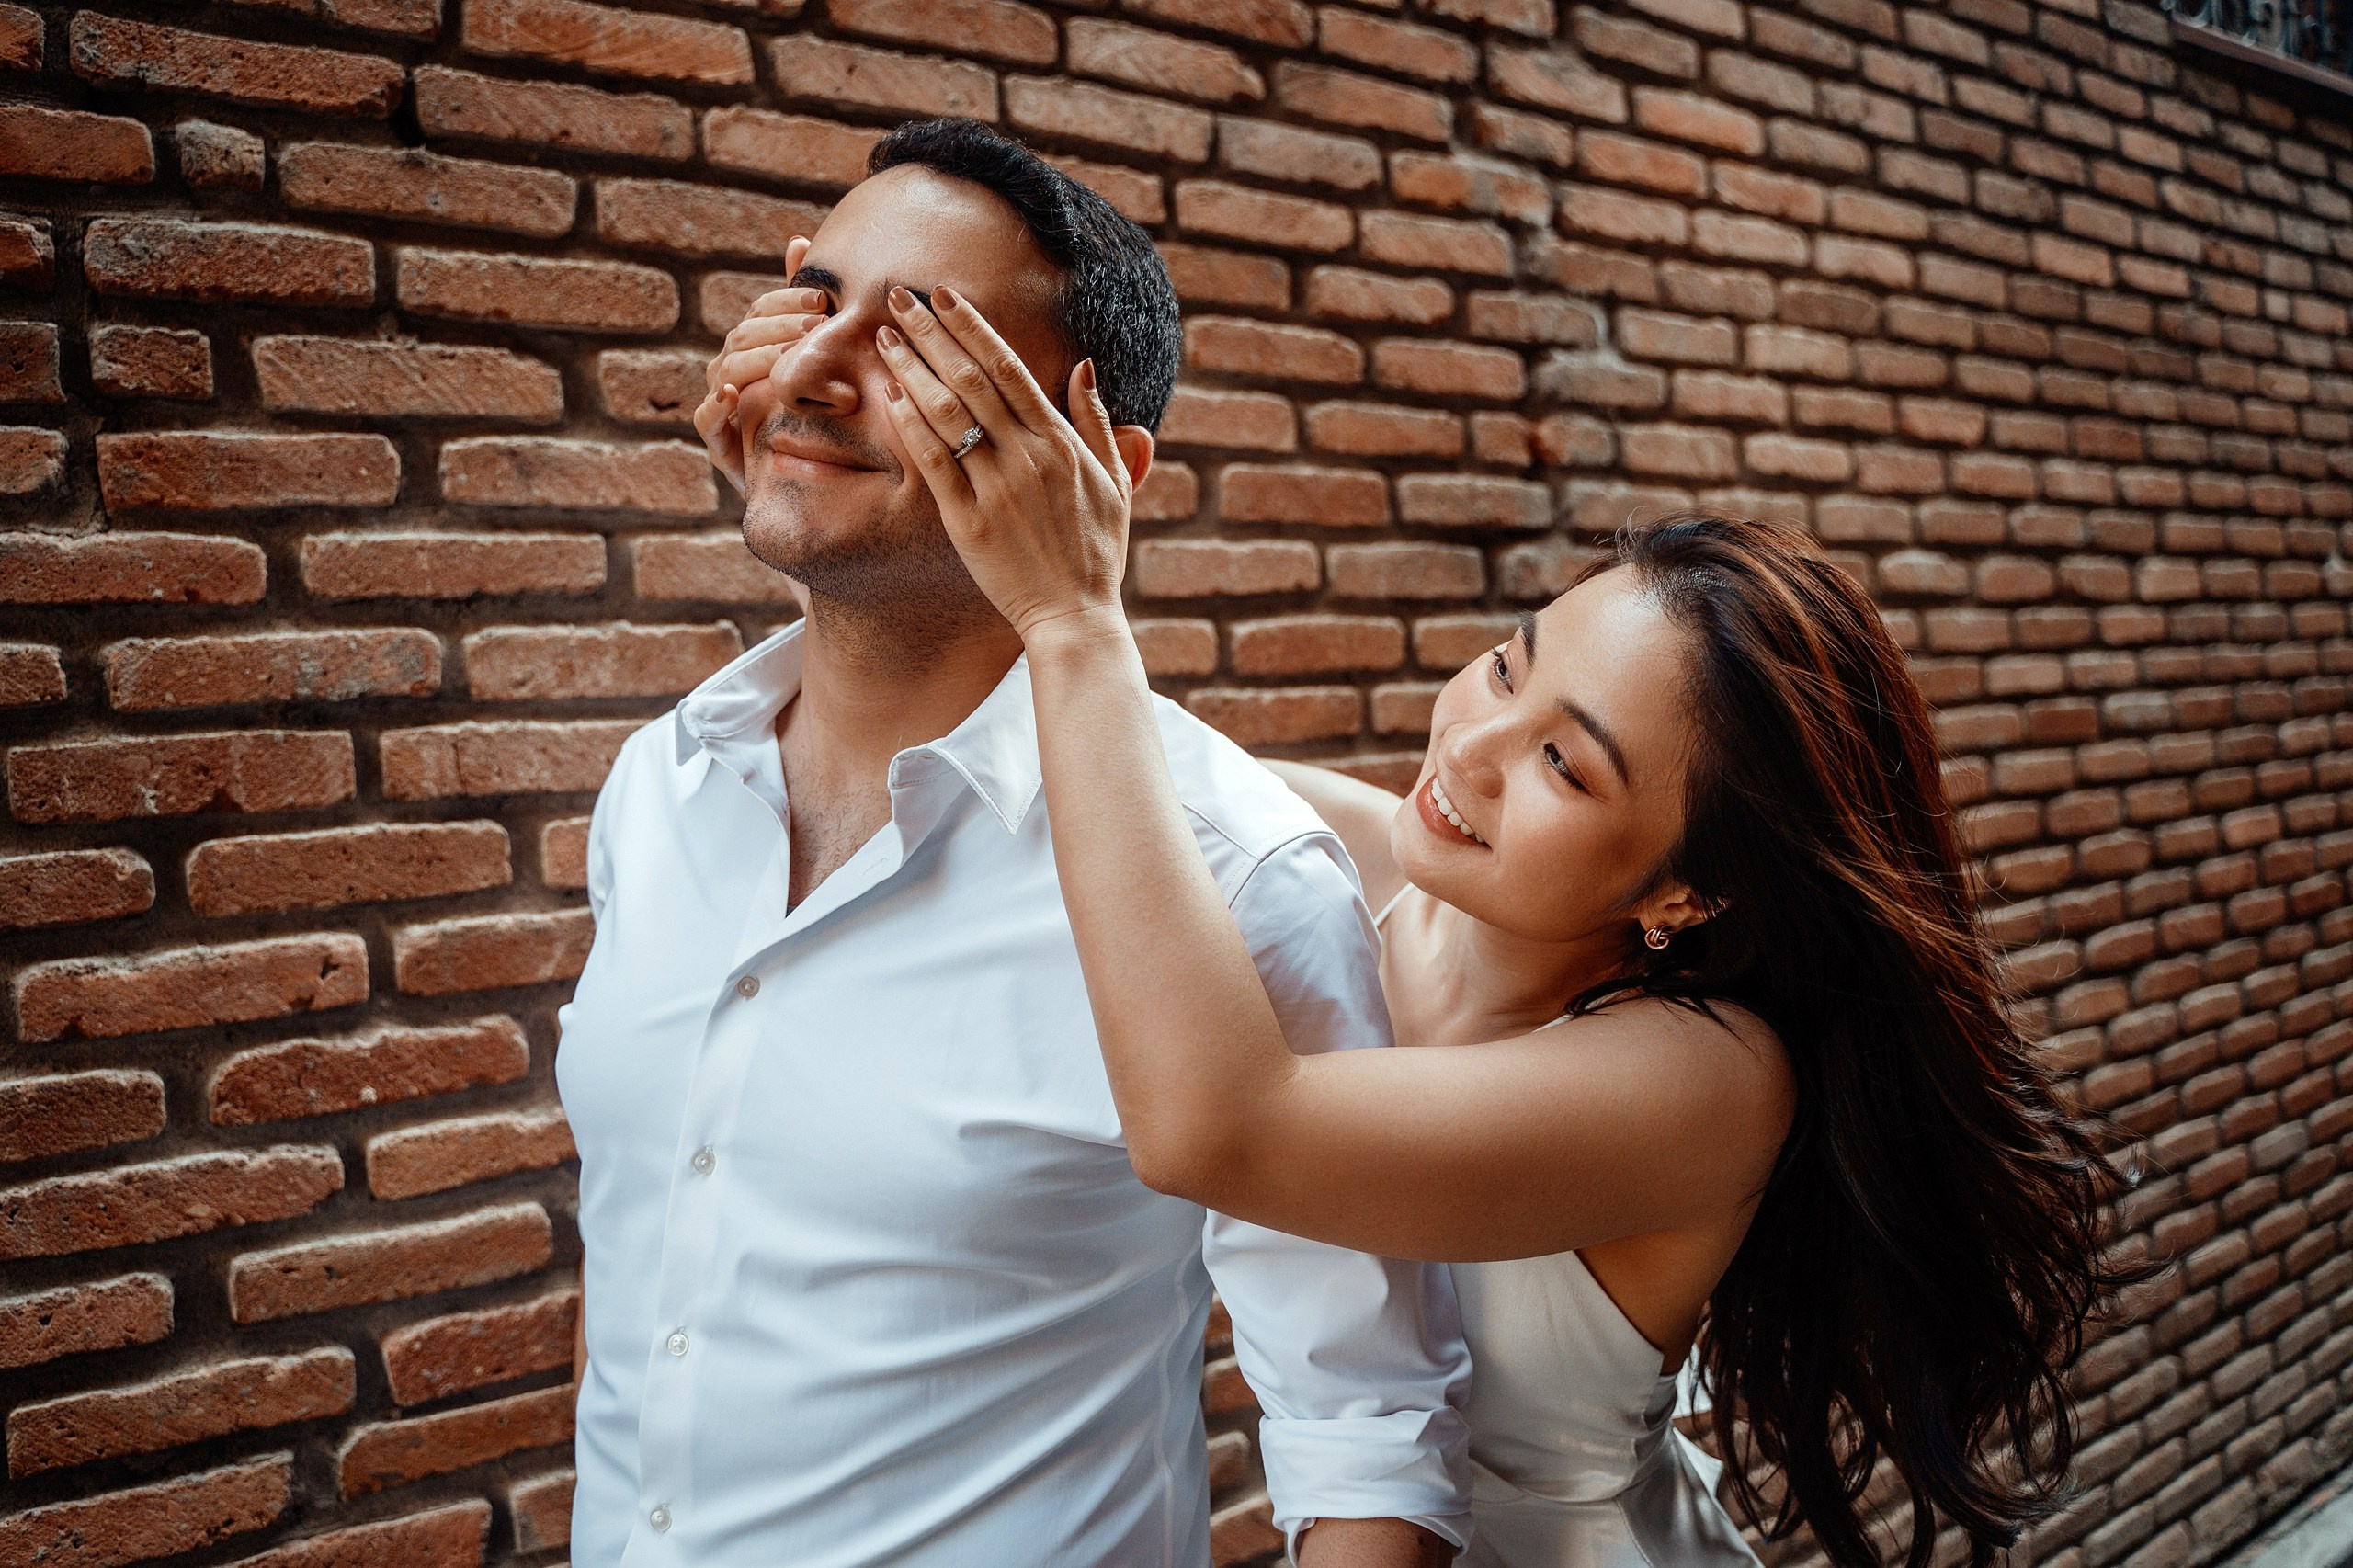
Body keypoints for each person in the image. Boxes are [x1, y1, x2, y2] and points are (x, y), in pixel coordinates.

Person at [835, 237, 2130, 1565]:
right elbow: (1042, 783)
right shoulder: (1333, 852)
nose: (1470, 749)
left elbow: (1219, 1128)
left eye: (1566, 762)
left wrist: (1075, 612)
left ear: (1688, 889)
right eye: (1508, 667)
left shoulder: (1712, 1075)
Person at [556, 119, 1472, 1567]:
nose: (809, 370)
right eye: (816, 303)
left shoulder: (1237, 877)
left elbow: (1366, 1436)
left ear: (1099, 467)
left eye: (922, 346)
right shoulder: (655, 789)